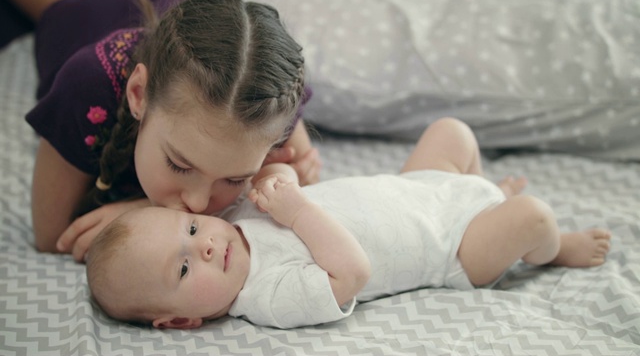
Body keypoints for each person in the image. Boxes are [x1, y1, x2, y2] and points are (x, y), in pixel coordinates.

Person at [85, 117, 611, 329]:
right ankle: (551, 248)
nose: (201, 247)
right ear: (180, 322)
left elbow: (281, 176)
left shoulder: (229, 219)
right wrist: (296, 209)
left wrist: (277, 176)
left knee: (451, 132)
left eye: (191, 231)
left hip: (416, 189)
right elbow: (351, 273)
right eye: (182, 272)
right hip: (451, 248)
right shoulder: (266, 296)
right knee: (532, 218)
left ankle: (487, 194)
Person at [12, 0, 322, 261]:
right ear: (137, 95)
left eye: (235, 179)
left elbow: (300, 174)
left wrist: (141, 211)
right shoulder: (88, 87)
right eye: (179, 164)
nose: (199, 205)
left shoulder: (260, 97)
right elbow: (53, 238)